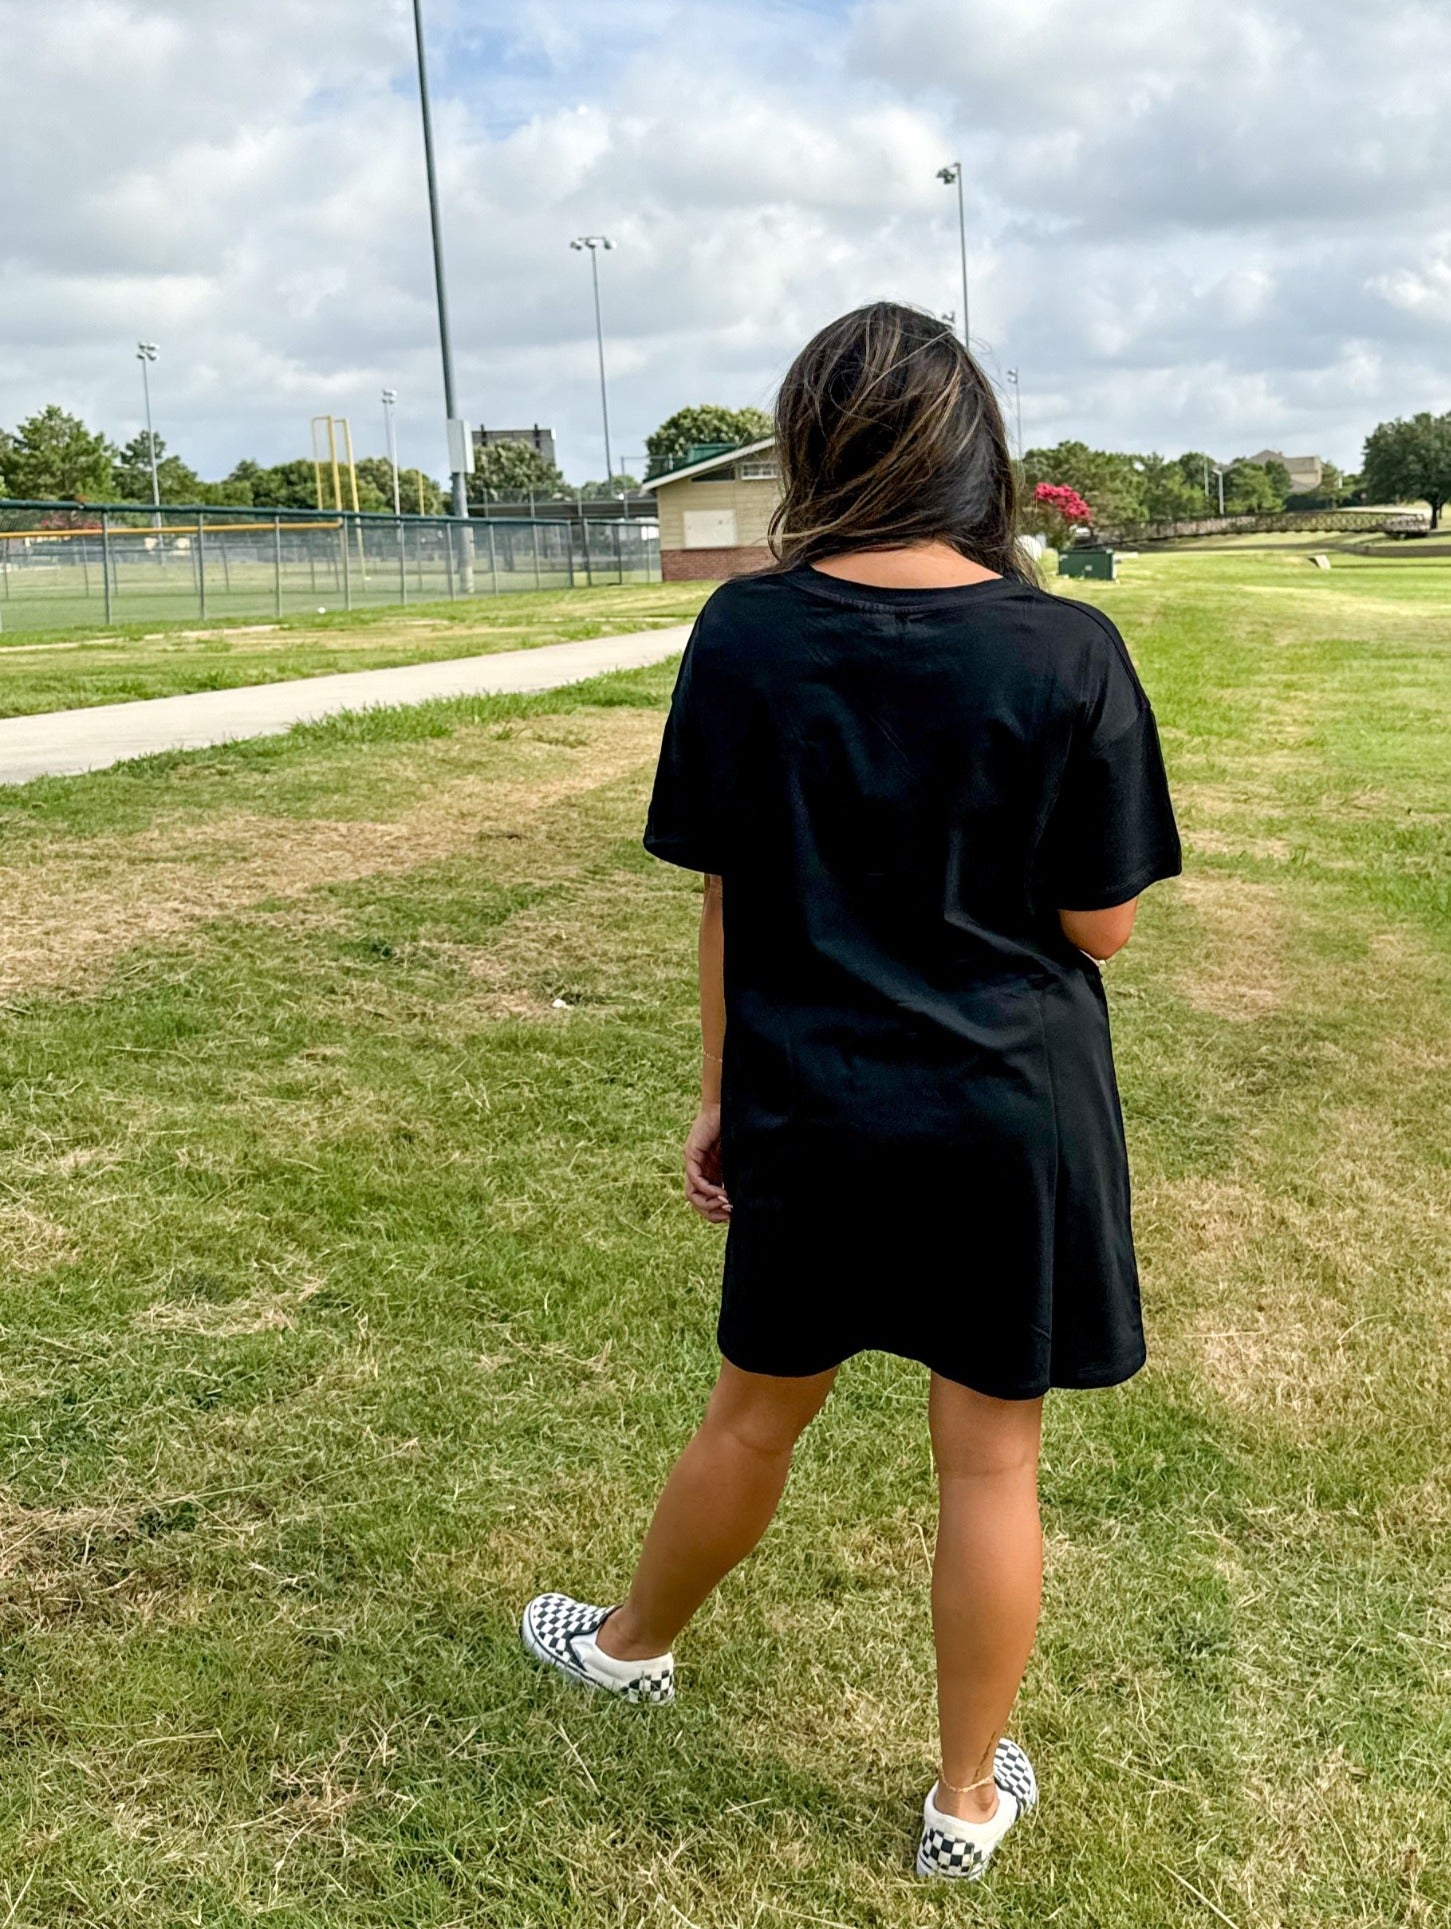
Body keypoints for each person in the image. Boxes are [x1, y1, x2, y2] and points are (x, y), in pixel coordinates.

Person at [523, 301, 1181, 1882]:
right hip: (1007, 1111)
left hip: (810, 1097)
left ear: (814, 447)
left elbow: (726, 891)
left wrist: (716, 1092)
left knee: (758, 1405)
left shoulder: (746, 632)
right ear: (981, 456)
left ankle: (624, 1644)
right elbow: (1105, 924)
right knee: (992, 1458)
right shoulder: (1067, 646)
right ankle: (964, 1798)